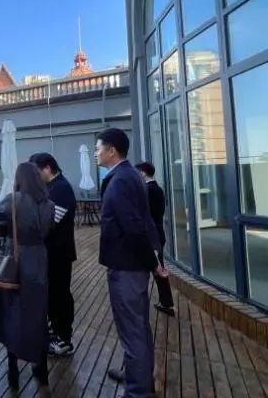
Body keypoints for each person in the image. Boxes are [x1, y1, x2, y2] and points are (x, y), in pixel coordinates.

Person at [95, 129, 168, 397]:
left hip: (127, 268)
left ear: (111, 150)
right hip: (132, 266)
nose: (95, 153)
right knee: (138, 327)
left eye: (98, 148)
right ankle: (139, 377)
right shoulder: (129, 176)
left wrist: (153, 263)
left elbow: (135, 228)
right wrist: (153, 261)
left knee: (133, 331)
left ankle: (138, 391)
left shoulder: (120, 181)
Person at [0, 162, 54, 394]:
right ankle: (42, 369)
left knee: (11, 314)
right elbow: (48, 230)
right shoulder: (49, 204)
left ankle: (13, 372)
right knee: (38, 315)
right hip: (39, 262)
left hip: (15, 261)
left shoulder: (11, 200)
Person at [29, 152, 77, 356]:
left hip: (59, 254)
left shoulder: (61, 188)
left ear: (48, 168)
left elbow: (47, 223)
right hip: (50, 253)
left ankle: (64, 339)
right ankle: (56, 331)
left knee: (60, 296)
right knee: (53, 296)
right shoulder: (52, 187)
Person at [136, 161, 175, 317]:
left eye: (138, 172)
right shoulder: (158, 189)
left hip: (151, 235)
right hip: (159, 232)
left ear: (143, 173)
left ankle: (165, 303)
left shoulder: (146, 190)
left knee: (155, 270)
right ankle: (166, 302)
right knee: (158, 268)